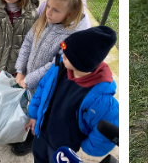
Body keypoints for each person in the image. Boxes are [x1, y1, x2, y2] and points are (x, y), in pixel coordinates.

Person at [11, 0, 89, 156]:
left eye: (55, 10)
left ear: (70, 14)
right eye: (48, 6)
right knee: (29, 105)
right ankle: (24, 129)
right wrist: (20, 70)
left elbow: (55, 65)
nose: (48, 12)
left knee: (41, 110)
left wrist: (28, 80)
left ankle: (32, 136)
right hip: (28, 78)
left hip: (47, 85)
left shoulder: (72, 37)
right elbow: (28, 42)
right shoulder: (44, 21)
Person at [24, 26, 119, 163]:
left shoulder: (101, 98)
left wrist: (88, 147)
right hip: (41, 133)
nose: (62, 55)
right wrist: (34, 115)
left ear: (81, 62)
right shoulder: (58, 68)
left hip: (63, 147)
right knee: (38, 156)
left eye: (67, 55)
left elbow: (108, 129)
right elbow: (42, 88)